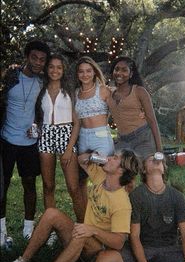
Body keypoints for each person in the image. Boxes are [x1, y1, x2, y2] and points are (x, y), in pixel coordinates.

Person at [0, 149, 140, 262]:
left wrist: (93, 230)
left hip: (97, 250)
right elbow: (81, 160)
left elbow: (119, 242)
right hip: (82, 237)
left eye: (115, 158)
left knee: (82, 234)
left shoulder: (122, 203)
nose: (109, 158)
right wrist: (92, 156)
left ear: (121, 170)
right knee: (51, 214)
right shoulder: (101, 176)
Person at [89, 153, 185, 262]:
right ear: (143, 169)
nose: (155, 159)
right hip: (142, 248)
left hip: (170, 248)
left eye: (158, 158)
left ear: (164, 168)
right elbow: (134, 237)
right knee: (105, 257)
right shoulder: (137, 196)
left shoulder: (177, 197)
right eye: (150, 158)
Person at [0, 40, 50, 246]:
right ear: (27, 57)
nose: (38, 63)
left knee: (29, 185)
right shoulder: (11, 76)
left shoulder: (43, 82)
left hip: (29, 143)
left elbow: (42, 109)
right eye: (34, 58)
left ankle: (28, 230)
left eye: (42, 60)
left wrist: (37, 125)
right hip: (5, 140)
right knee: (1, 187)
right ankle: (1, 233)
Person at [35, 54, 84, 222]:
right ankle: (51, 226)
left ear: (63, 70)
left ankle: (82, 227)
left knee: (73, 187)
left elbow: (77, 123)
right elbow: (38, 116)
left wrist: (69, 150)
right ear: (47, 69)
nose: (54, 70)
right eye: (51, 67)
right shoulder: (41, 89)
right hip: (46, 135)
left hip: (66, 134)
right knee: (48, 186)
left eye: (59, 67)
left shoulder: (69, 90)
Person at [108, 56, 162, 159]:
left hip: (142, 138)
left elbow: (152, 121)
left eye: (124, 70)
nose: (119, 73)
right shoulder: (108, 94)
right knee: (118, 171)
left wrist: (160, 150)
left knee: (148, 170)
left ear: (131, 74)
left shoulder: (139, 91)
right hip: (122, 141)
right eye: (117, 69)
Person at [75, 56, 114, 156]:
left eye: (88, 71)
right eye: (81, 71)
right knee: (85, 168)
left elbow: (118, 111)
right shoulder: (76, 93)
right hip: (83, 136)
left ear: (94, 72)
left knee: (100, 168)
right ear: (77, 74)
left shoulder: (103, 90)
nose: (85, 75)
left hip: (101, 136)